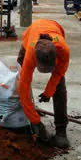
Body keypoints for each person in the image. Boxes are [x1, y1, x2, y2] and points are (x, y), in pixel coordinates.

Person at [17, 19, 71, 148]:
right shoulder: (30, 52)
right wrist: (36, 122)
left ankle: (61, 130)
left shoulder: (63, 50)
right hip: (32, 32)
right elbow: (23, 88)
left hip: (55, 29)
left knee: (59, 86)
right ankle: (27, 112)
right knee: (20, 72)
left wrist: (49, 92)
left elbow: (58, 74)